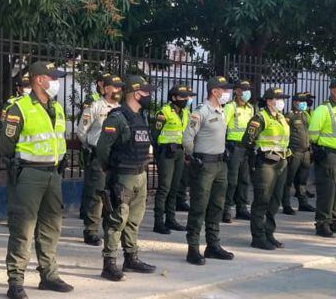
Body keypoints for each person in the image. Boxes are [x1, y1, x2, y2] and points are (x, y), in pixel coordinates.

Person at [0, 60, 74, 299]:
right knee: (23, 229)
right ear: (39, 79)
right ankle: (16, 282)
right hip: (29, 174)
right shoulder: (18, 108)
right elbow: (6, 146)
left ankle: (49, 276)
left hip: (53, 173)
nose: (56, 82)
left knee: (51, 227)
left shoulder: (56, 108)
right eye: (53, 78)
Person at [96, 75, 158, 281]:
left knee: (134, 219)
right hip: (123, 176)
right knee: (116, 219)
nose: (149, 95)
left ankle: (131, 257)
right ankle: (109, 262)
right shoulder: (117, 117)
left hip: (140, 173)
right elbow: (103, 147)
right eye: (146, 92)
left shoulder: (140, 116)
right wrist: (109, 169)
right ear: (136, 93)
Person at [183, 76, 236, 265]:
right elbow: (188, 138)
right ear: (215, 91)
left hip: (220, 164)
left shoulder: (221, 110)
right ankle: (193, 248)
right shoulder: (201, 111)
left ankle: (213, 245)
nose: (227, 93)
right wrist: (193, 157)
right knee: (199, 206)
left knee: (217, 206)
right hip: (204, 165)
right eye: (224, 89)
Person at [76, 73, 123, 244]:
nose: (119, 90)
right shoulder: (95, 106)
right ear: (107, 88)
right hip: (98, 155)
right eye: (116, 87)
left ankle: (109, 227)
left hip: (115, 157)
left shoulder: (121, 109)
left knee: (114, 194)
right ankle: (91, 230)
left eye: (120, 88)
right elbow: (82, 131)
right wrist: (90, 147)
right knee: (96, 194)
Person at [242, 88, 291, 250]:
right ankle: (258, 236)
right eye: (278, 98)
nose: (281, 102)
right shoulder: (259, 118)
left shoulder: (281, 117)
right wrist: (258, 156)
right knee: (262, 200)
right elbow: (247, 141)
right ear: (269, 101)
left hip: (281, 162)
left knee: (275, 200)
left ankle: (269, 233)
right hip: (266, 163)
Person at [308, 78, 336, 238]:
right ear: (333, 90)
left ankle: (334, 220)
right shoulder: (323, 109)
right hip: (329, 155)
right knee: (327, 191)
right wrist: (318, 147)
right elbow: (312, 133)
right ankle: (322, 223)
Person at [151, 83, 195, 234]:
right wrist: (158, 154)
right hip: (166, 153)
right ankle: (158, 222)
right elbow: (155, 135)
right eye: (183, 97)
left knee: (175, 188)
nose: (187, 99)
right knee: (164, 187)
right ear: (174, 97)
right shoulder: (164, 112)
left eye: (188, 97)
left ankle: (171, 219)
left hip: (179, 152)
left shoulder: (185, 112)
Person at [78, 73, 112, 221]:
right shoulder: (92, 100)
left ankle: (103, 211)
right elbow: (84, 127)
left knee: (104, 184)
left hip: (108, 151)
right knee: (91, 184)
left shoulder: (115, 102)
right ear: (99, 83)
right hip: (93, 147)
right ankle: (86, 212)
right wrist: (89, 144)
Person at [223, 80, 255, 222]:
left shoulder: (250, 108)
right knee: (232, 180)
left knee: (244, 180)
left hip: (246, 147)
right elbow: (222, 126)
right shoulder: (230, 107)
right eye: (243, 89)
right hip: (234, 147)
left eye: (248, 89)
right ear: (236, 91)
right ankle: (226, 210)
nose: (247, 92)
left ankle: (242, 208)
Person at [282, 92, 315, 214]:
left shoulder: (305, 115)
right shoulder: (289, 116)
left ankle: (303, 203)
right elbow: (284, 134)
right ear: (295, 102)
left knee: (302, 180)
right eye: (302, 101)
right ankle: (286, 205)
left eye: (305, 102)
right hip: (294, 152)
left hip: (305, 152)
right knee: (288, 180)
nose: (304, 104)